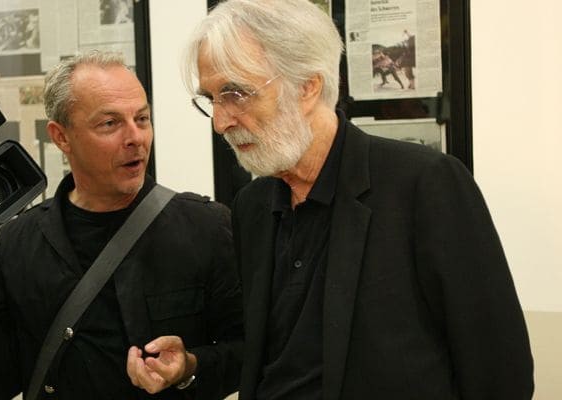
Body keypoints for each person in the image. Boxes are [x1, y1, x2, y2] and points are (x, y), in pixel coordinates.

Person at [183, 1, 534, 399]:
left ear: (307, 86)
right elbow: (267, 355)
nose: (220, 122)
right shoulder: (252, 207)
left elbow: (501, 372)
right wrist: (193, 365)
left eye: (236, 93)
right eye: (212, 98)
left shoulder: (424, 185)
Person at [0, 50, 243, 399]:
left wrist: (189, 367)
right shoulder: (18, 241)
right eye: (110, 123)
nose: (135, 137)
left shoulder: (206, 227)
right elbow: (3, 381)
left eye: (142, 119)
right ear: (61, 137)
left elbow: (248, 351)